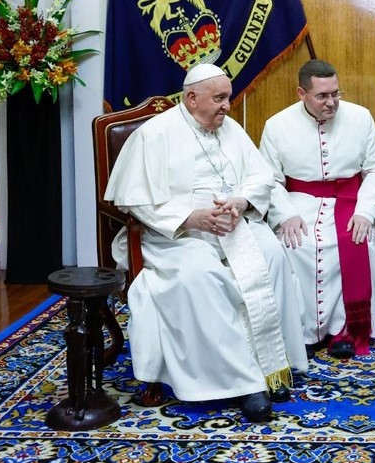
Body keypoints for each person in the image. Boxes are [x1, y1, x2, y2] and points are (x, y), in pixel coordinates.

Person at [103, 63, 308, 422]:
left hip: (232, 224)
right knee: (202, 275)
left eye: (228, 97)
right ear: (191, 98)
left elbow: (261, 176)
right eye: (219, 98)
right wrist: (190, 217)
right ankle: (242, 383)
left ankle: (273, 366)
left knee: (272, 254)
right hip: (176, 235)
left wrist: (242, 201)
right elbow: (133, 200)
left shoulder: (230, 129)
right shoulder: (156, 134)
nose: (228, 106)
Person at [258, 59, 375, 359]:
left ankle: (345, 330)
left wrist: (366, 212)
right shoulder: (277, 126)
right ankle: (301, 330)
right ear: (301, 94)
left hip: (350, 201)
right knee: (296, 244)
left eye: (335, 93)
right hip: (299, 202)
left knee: (358, 239)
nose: (331, 102)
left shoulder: (360, 117)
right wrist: (285, 214)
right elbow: (269, 179)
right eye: (322, 96)